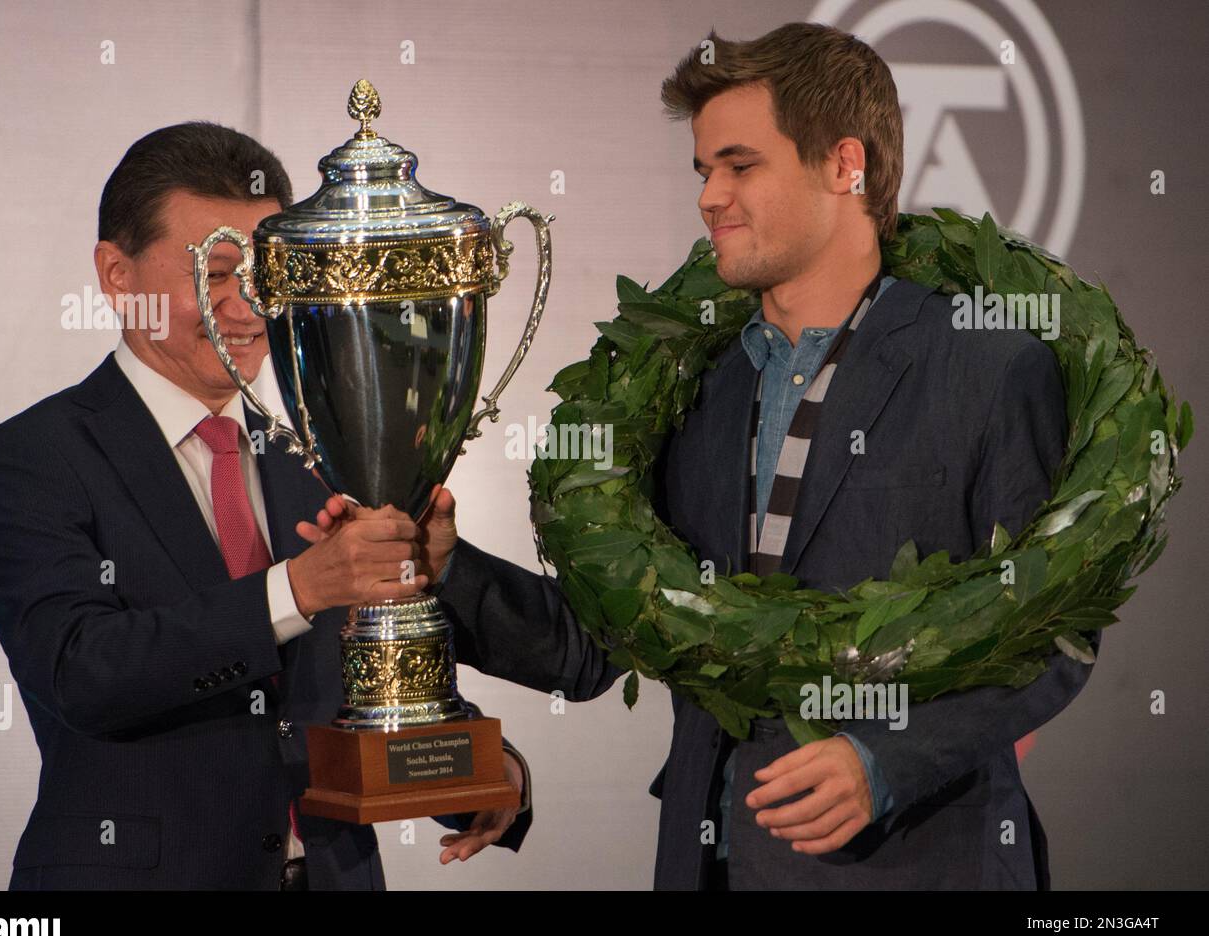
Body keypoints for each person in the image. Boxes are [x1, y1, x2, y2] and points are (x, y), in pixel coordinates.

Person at [309, 23, 1097, 891]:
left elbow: (1051, 631)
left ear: (846, 165)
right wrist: (446, 566)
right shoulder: (695, 384)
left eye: (740, 165)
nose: (709, 196)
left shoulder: (988, 368)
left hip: (917, 867)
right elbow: (594, 640)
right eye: (702, 171)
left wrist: (881, 759)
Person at [0, 121, 530, 890]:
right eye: (215, 272)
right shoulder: (31, 457)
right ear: (116, 274)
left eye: (263, 273)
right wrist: (298, 590)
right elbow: (82, 672)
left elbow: (370, 694)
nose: (247, 305)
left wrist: (478, 765)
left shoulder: (323, 451)